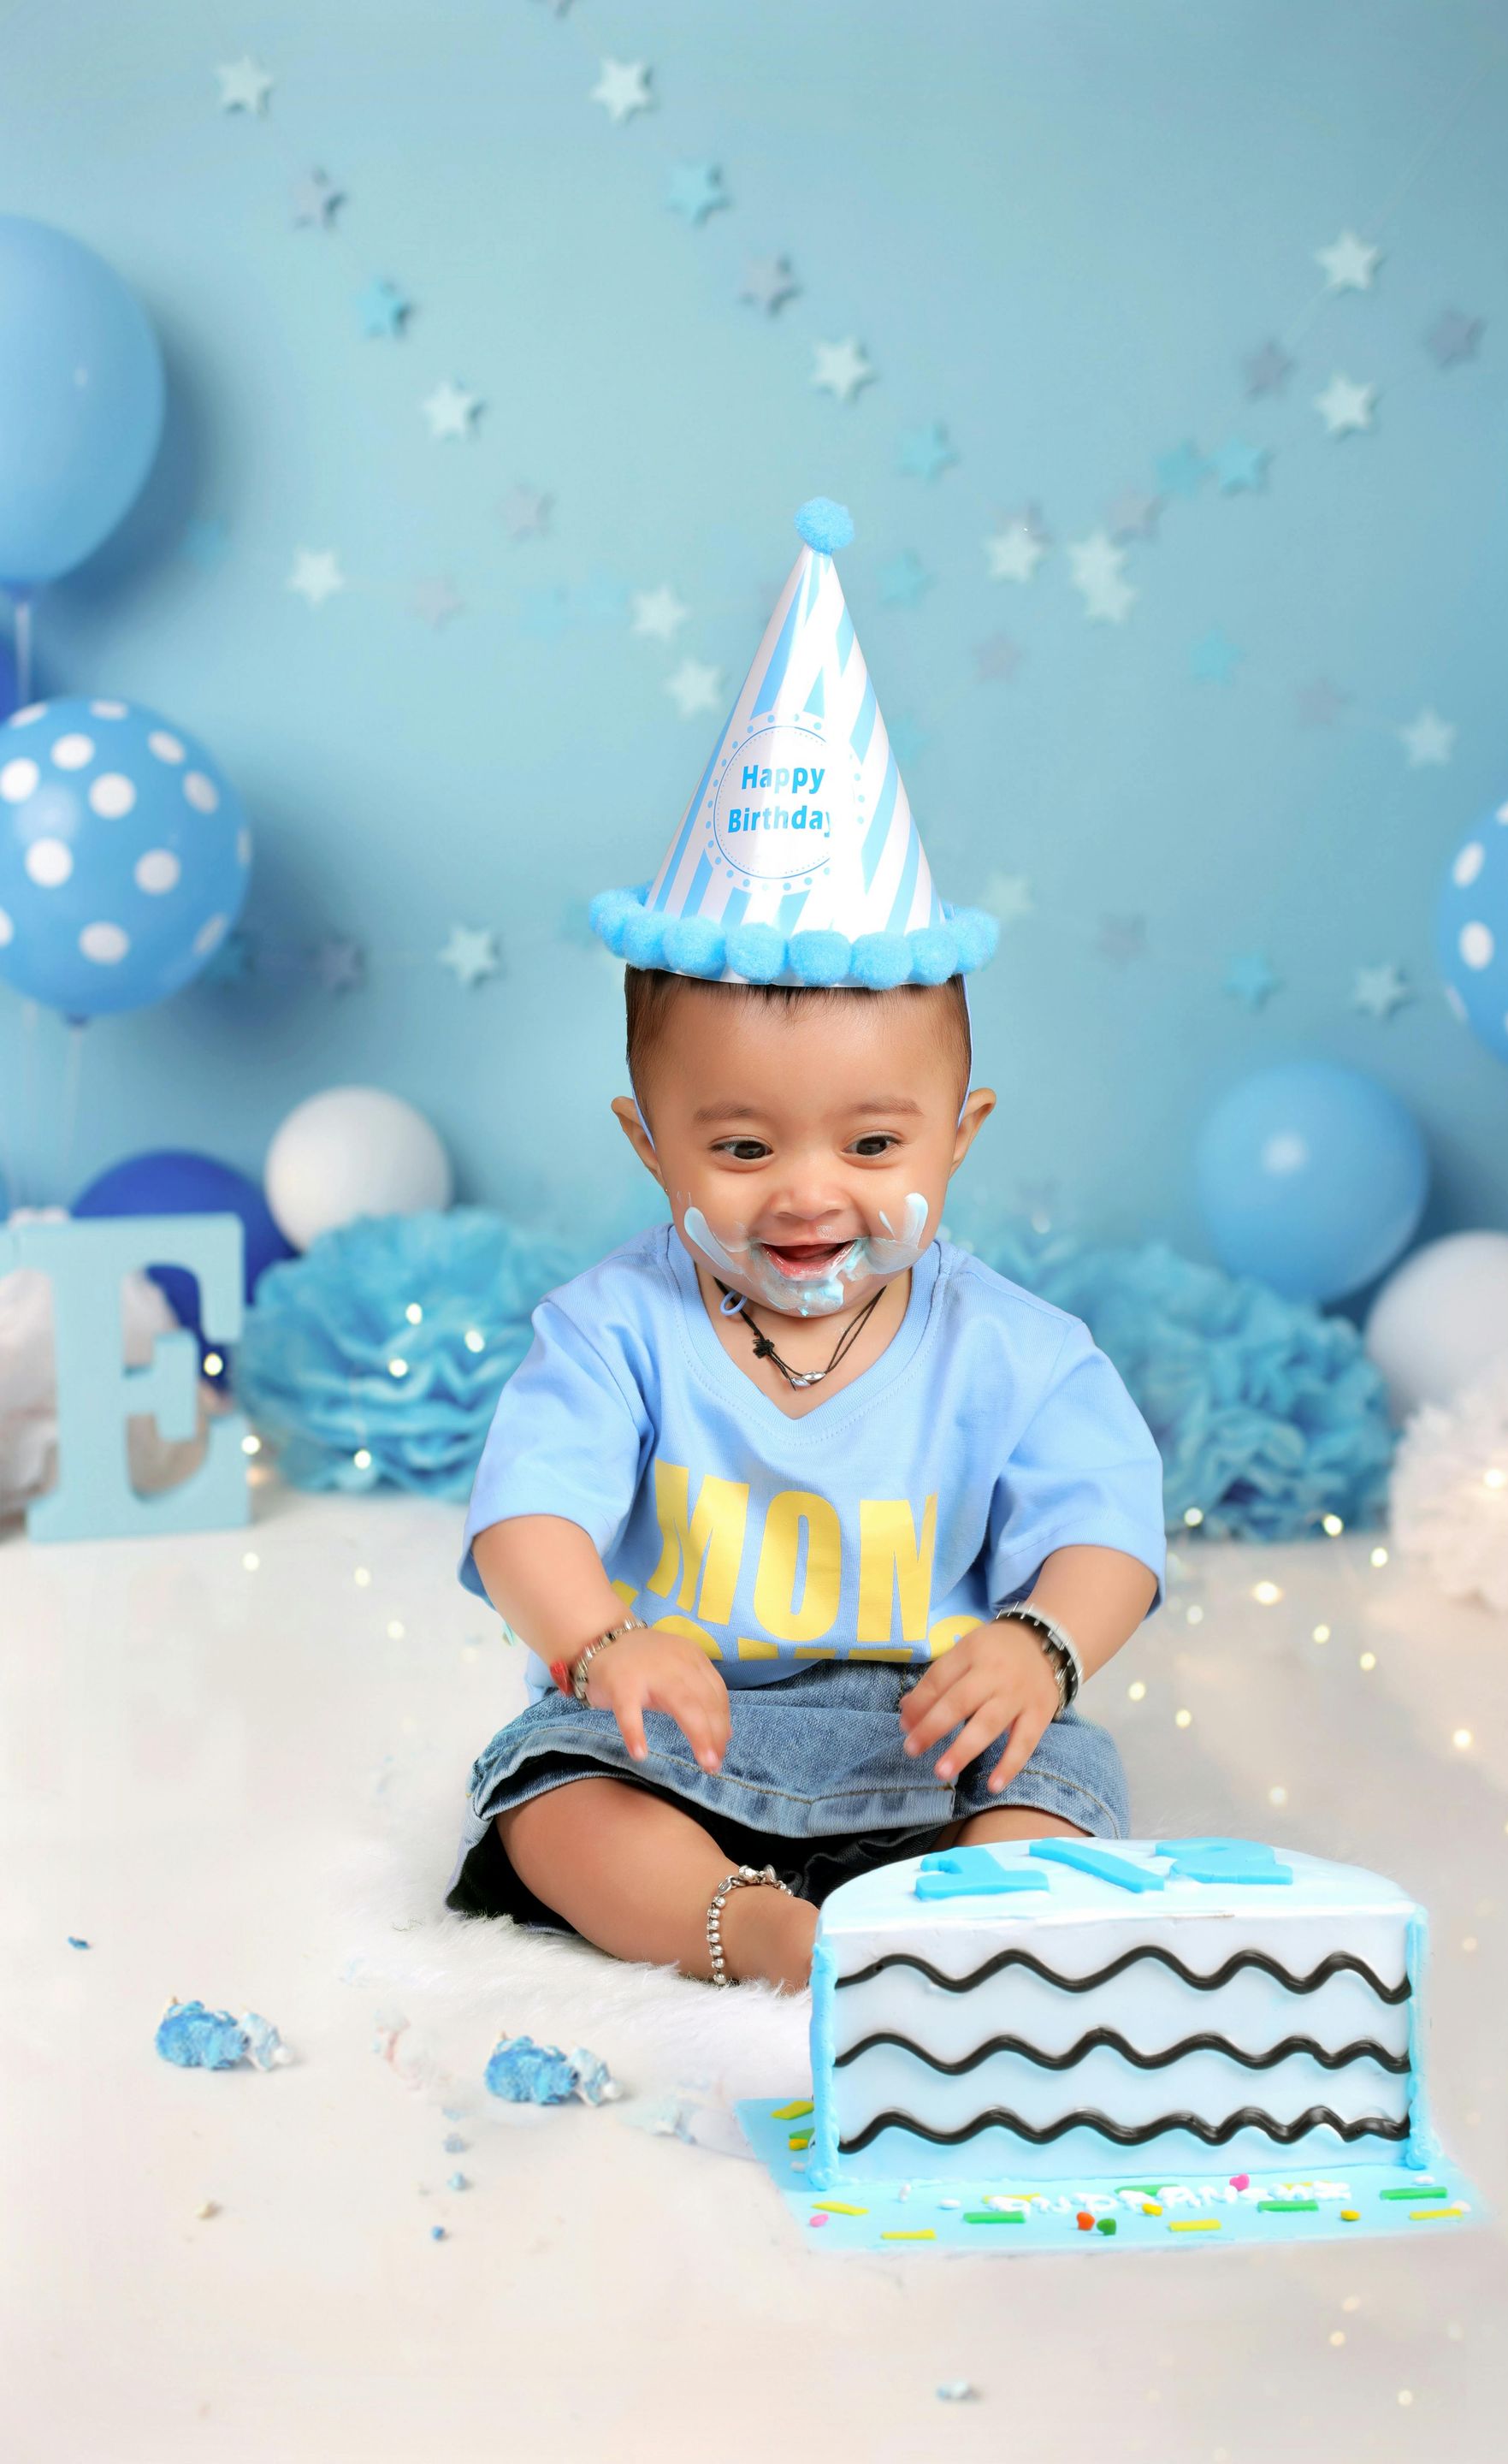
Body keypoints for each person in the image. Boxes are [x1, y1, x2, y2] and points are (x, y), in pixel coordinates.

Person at [444, 501, 1165, 1993]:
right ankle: (765, 1934)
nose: (809, 1195)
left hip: (931, 1723)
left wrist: (1035, 1645)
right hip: (681, 1721)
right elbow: (524, 1524)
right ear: (651, 1146)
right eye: (744, 1147)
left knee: (1058, 1788)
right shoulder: (613, 1330)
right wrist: (601, 1651)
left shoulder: (1015, 1349)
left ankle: (967, 1926)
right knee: (554, 1800)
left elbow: (1110, 1533)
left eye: (876, 1145)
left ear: (960, 1133)